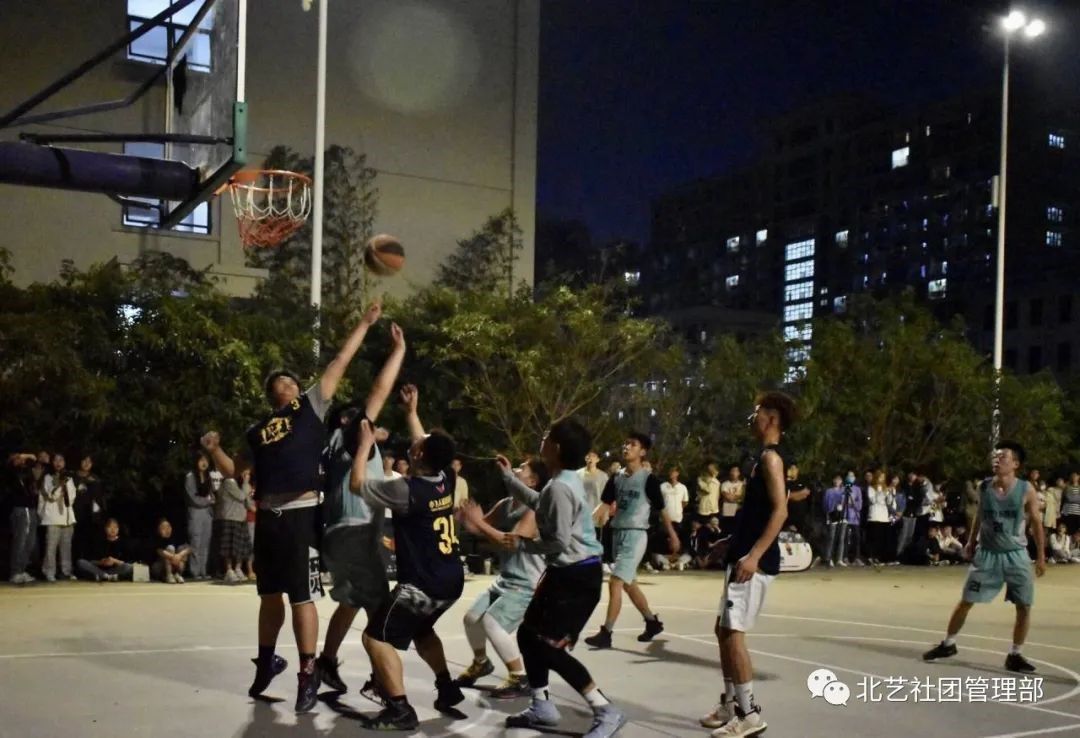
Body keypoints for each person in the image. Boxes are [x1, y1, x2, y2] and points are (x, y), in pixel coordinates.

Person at [201, 300, 383, 713]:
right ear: (271, 394)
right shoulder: (257, 430)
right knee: (269, 596)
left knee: (301, 597)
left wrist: (365, 322)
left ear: (298, 389)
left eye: (289, 380)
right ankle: (267, 661)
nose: (284, 383)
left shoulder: (310, 405)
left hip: (302, 513)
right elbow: (233, 471)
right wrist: (213, 450)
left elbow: (340, 361)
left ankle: (307, 673)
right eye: (278, 382)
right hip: (268, 515)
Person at [495, 419, 627, 738]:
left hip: (577, 577)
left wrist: (522, 543)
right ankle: (541, 705)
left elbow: (558, 541)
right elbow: (540, 503)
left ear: (555, 447)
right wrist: (508, 478)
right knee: (528, 636)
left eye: (546, 435)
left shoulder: (560, 487)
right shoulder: (562, 481)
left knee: (549, 648)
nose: (542, 438)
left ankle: (605, 709)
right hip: (566, 573)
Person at [347, 384, 466, 730]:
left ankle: (400, 709)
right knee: (422, 630)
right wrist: (412, 412)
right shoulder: (445, 476)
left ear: (418, 455)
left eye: (419, 444)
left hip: (423, 585)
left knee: (375, 637)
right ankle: (447, 687)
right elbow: (426, 444)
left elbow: (357, 485)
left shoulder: (406, 490)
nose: (416, 441)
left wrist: (365, 446)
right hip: (451, 579)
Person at [314, 322, 406, 704]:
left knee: (351, 600)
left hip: (342, 532)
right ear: (349, 421)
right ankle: (384, 684)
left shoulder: (334, 445)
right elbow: (379, 391)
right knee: (382, 612)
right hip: (354, 532)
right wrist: (398, 352)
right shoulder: (353, 437)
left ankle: (325, 662)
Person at [701, 391, 796, 738]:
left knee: (733, 633)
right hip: (741, 553)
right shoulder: (760, 459)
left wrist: (754, 555)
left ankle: (749, 714)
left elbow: (780, 512)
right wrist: (731, 542)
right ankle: (730, 704)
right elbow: (755, 514)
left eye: (757, 412)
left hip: (753, 561)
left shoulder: (772, 459)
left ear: (772, 418)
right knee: (723, 630)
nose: (752, 417)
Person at [923, 441, 1046, 673]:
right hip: (988, 553)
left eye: (1003, 457)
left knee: (1024, 605)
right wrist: (971, 542)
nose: (997, 460)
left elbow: (1037, 524)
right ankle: (948, 644)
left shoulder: (1026, 489)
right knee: (966, 600)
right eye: (995, 456)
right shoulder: (985, 486)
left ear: (1016, 464)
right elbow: (980, 514)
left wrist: (1040, 556)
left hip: (1016, 554)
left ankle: (1015, 654)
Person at [455, 457, 549, 698]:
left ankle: (520, 677)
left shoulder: (534, 509)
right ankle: (481, 663)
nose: (515, 469)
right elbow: (479, 528)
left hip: (527, 583)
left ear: (532, 481)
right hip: (506, 579)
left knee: (492, 623)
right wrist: (465, 517)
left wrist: (478, 522)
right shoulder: (506, 504)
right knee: (472, 619)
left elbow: (510, 542)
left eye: (522, 468)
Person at [585, 432, 679, 649]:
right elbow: (604, 506)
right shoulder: (616, 478)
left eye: (632, 444)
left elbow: (662, 510)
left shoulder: (648, 479)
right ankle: (652, 622)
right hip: (618, 533)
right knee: (629, 585)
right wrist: (584, 524)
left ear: (642, 452)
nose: (626, 447)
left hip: (636, 535)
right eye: (625, 443)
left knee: (615, 582)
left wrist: (673, 535)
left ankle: (606, 633)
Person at [40, 453, 78, 582]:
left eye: (61, 460)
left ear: (64, 463)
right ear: (52, 463)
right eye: (55, 460)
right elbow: (51, 496)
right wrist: (60, 485)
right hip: (53, 517)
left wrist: (65, 485)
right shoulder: (47, 478)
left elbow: (71, 498)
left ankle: (66, 571)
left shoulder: (69, 478)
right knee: (51, 547)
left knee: (66, 546)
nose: (58, 463)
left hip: (67, 517)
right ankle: (49, 572)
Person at [7, 453, 42, 584]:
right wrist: (22, 455)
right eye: (18, 459)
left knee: (30, 542)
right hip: (20, 509)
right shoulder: (11, 472)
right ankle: (15, 572)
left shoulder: (27, 473)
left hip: (31, 509)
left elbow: (34, 460)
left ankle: (22, 570)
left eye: (22, 460)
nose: (21, 461)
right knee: (20, 541)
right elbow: (12, 463)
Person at [184, 451, 219, 580]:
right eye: (201, 460)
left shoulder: (209, 477)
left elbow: (213, 496)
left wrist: (210, 501)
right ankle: (194, 571)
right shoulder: (190, 476)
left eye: (206, 460)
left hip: (207, 513)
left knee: (205, 542)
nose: (204, 463)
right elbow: (192, 498)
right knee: (196, 541)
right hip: (195, 511)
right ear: (196, 461)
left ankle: (203, 571)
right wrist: (208, 501)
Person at [216, 473, 255, 584]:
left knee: (240, 546)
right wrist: (246, 483)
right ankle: (229, 570)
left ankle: (238, 568)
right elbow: (241, 496)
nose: (245, 475)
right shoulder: (229, 482)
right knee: (228, 547)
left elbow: (246, 500)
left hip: (241, 518)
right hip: (230, 517)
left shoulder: (240, 484)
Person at [76, 517, 134, 581]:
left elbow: (126, 562)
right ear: (105, 529)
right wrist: (101, 562)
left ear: (118, 529)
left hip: (115, 570)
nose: (113, 529)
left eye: (115, 527)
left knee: (129, 567)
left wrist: (114, 561)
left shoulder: (123, 542)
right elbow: (91, 561)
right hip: (99, 569)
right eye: (110, 527)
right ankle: (106, 576)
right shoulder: (99, 541)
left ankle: (104, 576)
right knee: (80, 562)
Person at [72, 454, 106, 562]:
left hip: (91, 517)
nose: (87, 463)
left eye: (89, 461)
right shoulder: (72, 477)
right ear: (80, 462)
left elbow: (99, 499)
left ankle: (88, 565)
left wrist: (98, 515)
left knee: (89, 542)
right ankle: (75, 564)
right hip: (75, 514)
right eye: (84, 460)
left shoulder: (95, 478)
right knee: (75, 542)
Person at [149, 518, 191, 583]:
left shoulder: (175, 537)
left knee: (182, 550)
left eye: (168, 526)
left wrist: (179, 555)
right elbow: (160, 552)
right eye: (163, 527)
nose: (167, 529)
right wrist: (173, 557)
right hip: (159, 567)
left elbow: (189, 548)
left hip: (173, 564)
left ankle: (177, 574)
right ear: (158, 529)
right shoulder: (156, 539)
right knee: (170, 548)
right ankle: (169, 575)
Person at [720, 465, 745, 534]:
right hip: (728, 508)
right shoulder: (725, 484)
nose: (733, 473)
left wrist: (736, 497)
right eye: (732, 471)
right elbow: (728, 497)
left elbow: (743, 497)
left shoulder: (742, 485)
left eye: (735, 471)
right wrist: (738, 497)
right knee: (728, 530)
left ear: (739, 473)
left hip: (739, 509)